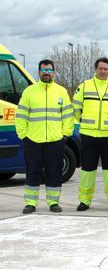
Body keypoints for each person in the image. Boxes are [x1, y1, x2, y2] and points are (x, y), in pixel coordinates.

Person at [16, 59, 74, 214]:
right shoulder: (30, 91)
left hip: (56, 140)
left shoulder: (61, 91)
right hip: (33, 140)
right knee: (32, 171)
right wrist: (24, 135)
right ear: (39, 72)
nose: (46, 73)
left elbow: (68, 115)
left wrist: (65, 135)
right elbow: (21, 115)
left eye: (49, 70)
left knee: (54, 172)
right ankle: (30, 203)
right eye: (43, 70)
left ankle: (53, 202)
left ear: (53, 72)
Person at [73, 57, 108, 211]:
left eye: (106, 69)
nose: (103, 71)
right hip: (88, 135)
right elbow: (76, 106)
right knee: (88, 169)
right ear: (95, 69)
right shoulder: (84, 86)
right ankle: (85, 200)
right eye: (100, 68)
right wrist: (82, 120)